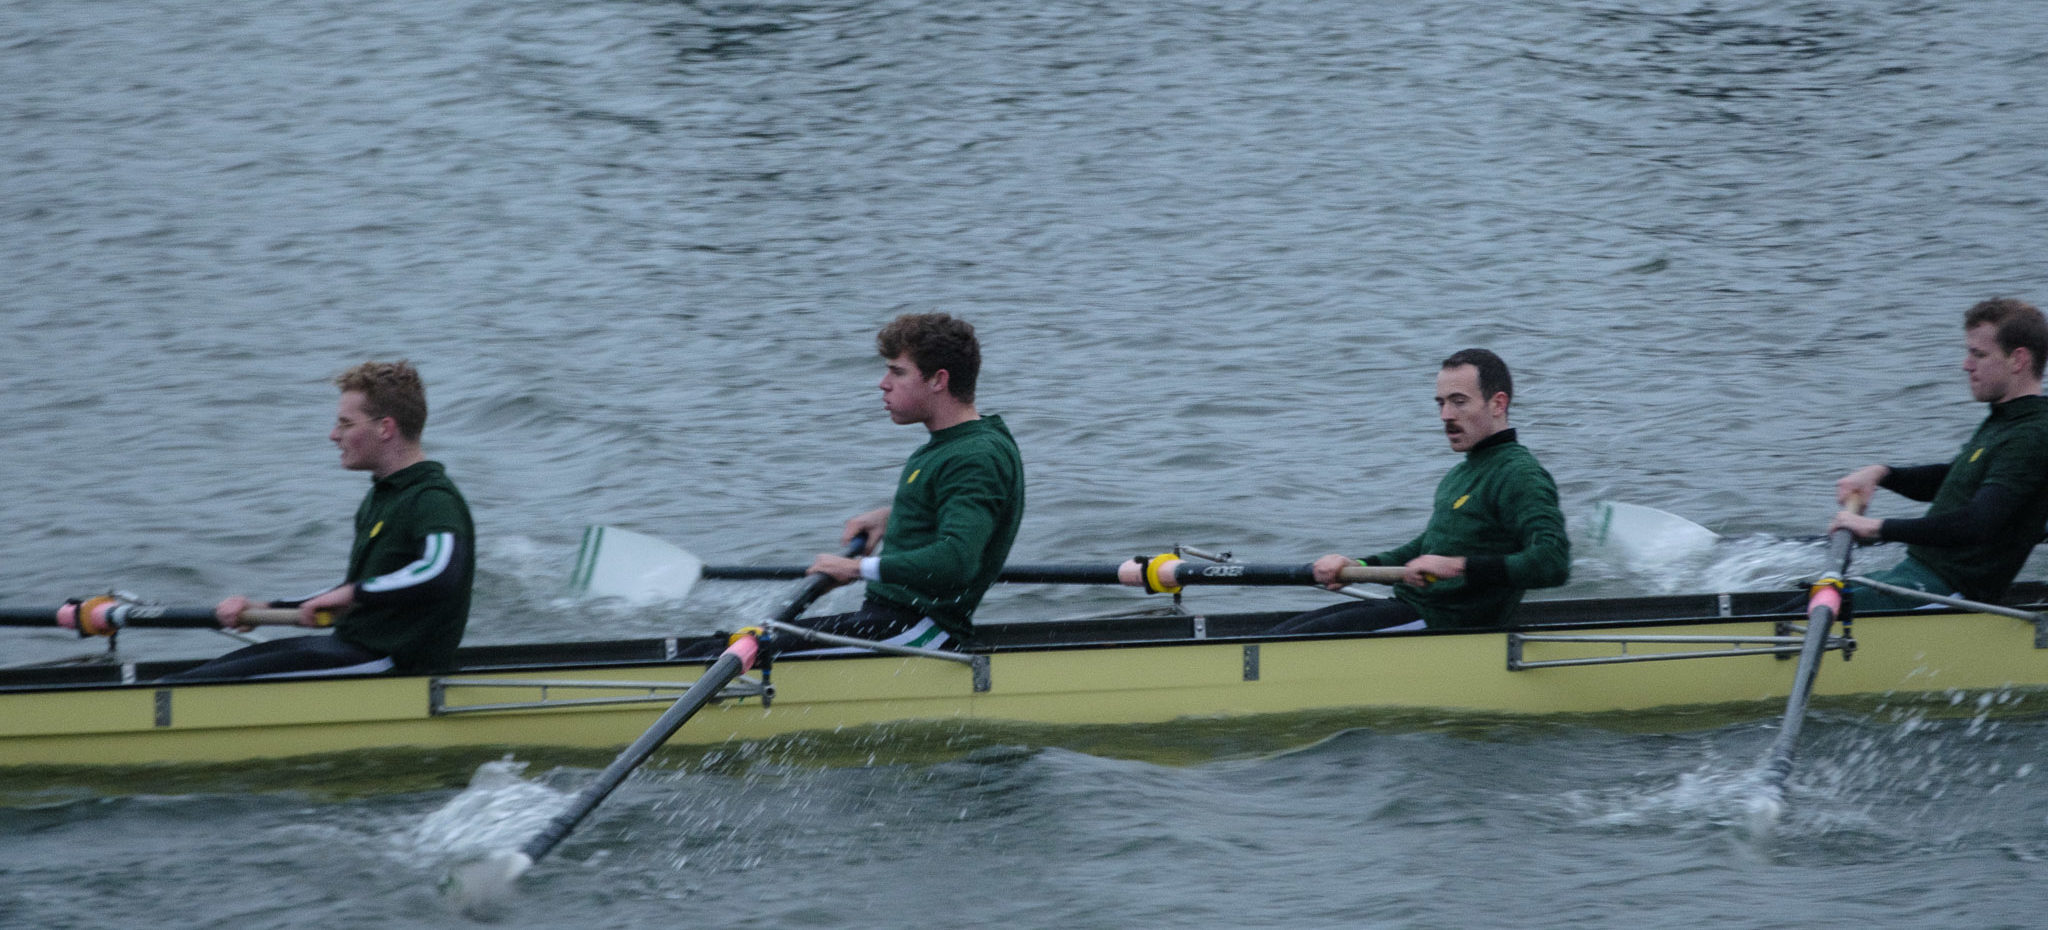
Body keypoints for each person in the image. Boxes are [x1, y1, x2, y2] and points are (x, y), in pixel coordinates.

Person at [688, 313, 1024, 658]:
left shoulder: (975, 455)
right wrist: (896, 516)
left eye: (897, 372)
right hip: (892, 620)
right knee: (722, 645)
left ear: (938, 380)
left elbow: (957, 561)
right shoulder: (965, 442)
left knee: (716, 657)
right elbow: (959, 504)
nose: (883, 383)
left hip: (921, 631)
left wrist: (855, 568)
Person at [163, 361, 475, 680]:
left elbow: (439, 572)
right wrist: (265, 608)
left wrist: (350, 594)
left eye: (345, 424)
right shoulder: (382, 498)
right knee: (190, 678)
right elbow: (368, 590)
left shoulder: (434, 499)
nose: (333, 435)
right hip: (353, 647)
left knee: (191, 688)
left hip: (394, 663)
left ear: (385, 428)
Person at [1272, 348, 1569, 634]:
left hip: (1445, 624)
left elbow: (1551, 561)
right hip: (1409, 608)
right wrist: (1358, 565)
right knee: (1276, 634)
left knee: (1278, 647)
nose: (1445, 415)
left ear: (1498, 404)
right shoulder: (1461, 474)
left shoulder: (1520, 474)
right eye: (1441, 403)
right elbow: (1424, 550)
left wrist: (1457, 567)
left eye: (1459, 402)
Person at [1827, 297, 2048, 610]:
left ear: (2018, 360)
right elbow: (1954, 479)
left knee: (1800, 615)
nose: (1965, 365)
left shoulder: (2032, 436)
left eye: (1978, 354)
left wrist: (1875, 528)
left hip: (1948, 595)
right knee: (1802, 600)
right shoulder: (2007, 419)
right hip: (1918, 578)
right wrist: (1882, 474)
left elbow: (1978, 523)